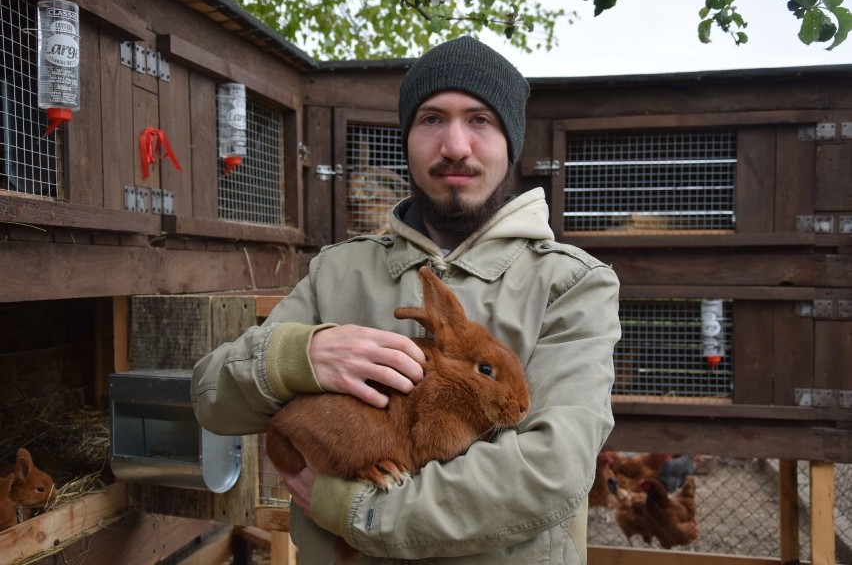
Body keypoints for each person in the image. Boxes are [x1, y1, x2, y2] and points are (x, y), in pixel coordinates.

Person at [192, 35, 620, 564]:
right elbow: (213, 396)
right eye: (432, 119)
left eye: (480, 120)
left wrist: (355, 511)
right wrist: (299, 357)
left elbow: (551, 470)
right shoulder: (340, 270)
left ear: (511, 141)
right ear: (408, 137)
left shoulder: (570, 282)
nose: (456, 146)